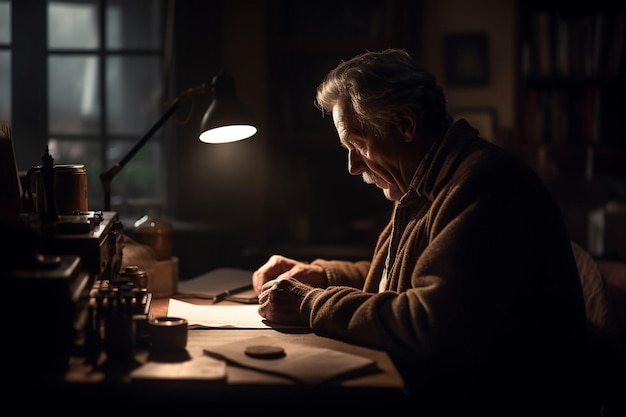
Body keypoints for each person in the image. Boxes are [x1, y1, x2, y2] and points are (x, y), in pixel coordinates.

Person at [253, 48, 597, 415]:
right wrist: (325, 275)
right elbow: (408, 281)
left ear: (405, 124)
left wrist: (311, 302)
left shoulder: (484, 186)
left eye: (357, 144)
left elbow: (430, 325)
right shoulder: (429, 182)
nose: (353, 166)